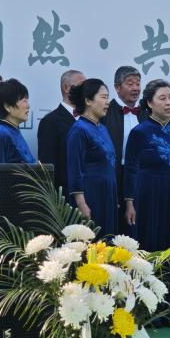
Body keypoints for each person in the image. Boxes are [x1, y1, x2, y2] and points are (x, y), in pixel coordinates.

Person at [123, 79, 170, 317]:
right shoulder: (140, 132)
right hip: (149, 193)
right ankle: (149, 310)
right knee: (151, 246)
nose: (168, 103)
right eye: (162, 98)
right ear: (149, 103)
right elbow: (131, 168)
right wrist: (129, 201)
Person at [66, 79, 118, 235]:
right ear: (88, 100)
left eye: (108, 97)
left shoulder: (103, 128)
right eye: (103, 97)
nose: (107, 102)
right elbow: (75, 169)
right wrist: (81, 203)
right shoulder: (79, 130)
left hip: (107, 194)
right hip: (91, 195)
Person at [101, 66, 146, 235]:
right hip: (114, 175)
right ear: (117, 87)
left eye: (138, 83)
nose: (135, 88)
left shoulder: (146, 113)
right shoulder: (105, 112)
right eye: (130, 83)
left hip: (140, 176)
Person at [37, 70, 85, 194]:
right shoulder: (50, 121)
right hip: (65, 195)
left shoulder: (89, 119)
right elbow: (48, 166)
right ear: (66, 87)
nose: (86, 90)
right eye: (82, 85)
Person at [0, 78, 35, 164]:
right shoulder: (0, 134)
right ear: (7, 107)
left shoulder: (12, 130)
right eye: (24, 101)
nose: (28, 106)